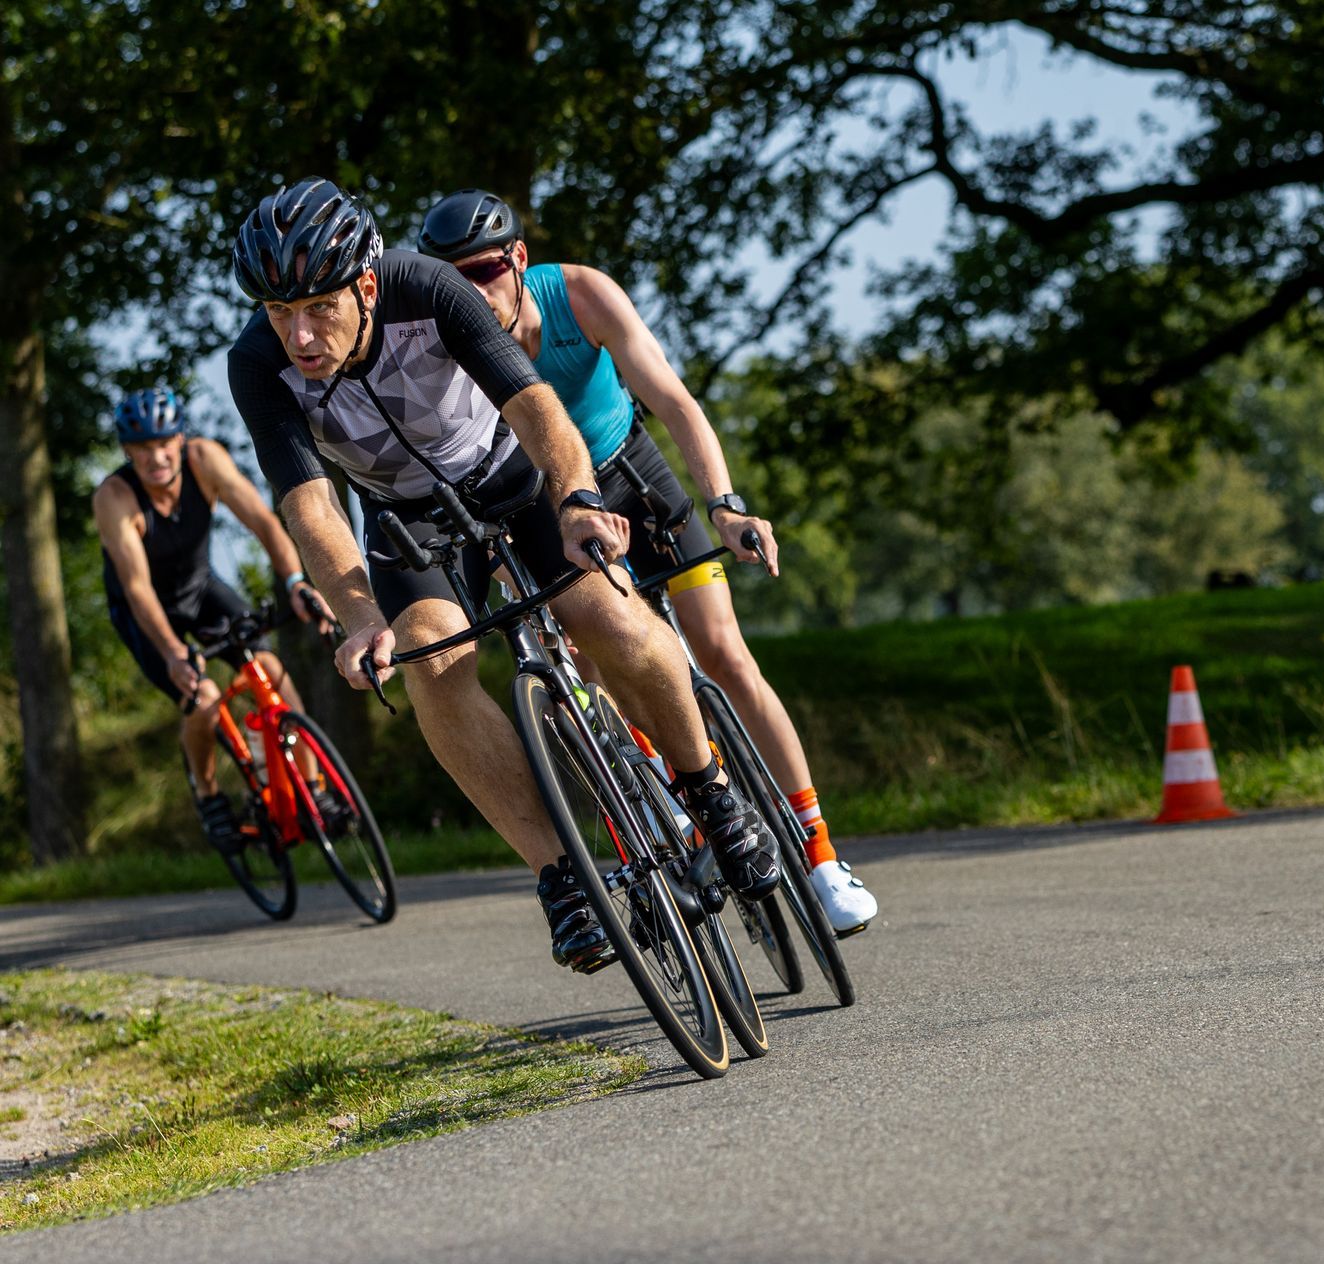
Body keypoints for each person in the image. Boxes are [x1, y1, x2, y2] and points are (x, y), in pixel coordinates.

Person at [225, 177, 779, 974]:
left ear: (368, 285)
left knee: (609, 616)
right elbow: (313, 510)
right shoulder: (257, 365)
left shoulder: (430, 289)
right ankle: (563, 877)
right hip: (406, 521)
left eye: (319, 308)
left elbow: (537, 410)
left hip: (511, 474)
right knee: (431, 661)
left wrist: (580, 500)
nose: (300, 336)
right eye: (281, 314)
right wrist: (358, 619)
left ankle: (713, 798)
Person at [417, 189, 878, 936]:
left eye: (484, 271)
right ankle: (674, 816)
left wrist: (724, 503)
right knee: (604, 661)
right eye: (452, 280)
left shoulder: (581, 294)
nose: (472, 293)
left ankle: (822, 857)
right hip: (545, 504)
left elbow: (674, 400)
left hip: (628, 470)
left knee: (724, 653)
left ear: (518, 260)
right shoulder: (446, 350)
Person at [93, 387, 340, 853]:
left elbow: (265, 523)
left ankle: (314, 793)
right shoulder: (115, 497)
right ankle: (210, 799)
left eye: (164, 442)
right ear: (128, 452)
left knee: (271, 674)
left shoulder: (205, 460)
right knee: (203, 698)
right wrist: (172, 653)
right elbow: (137, 587)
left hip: (201, 589)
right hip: (145, 611)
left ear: (180, 439)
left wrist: (293, 582)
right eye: (143, 448)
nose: (157, 456)